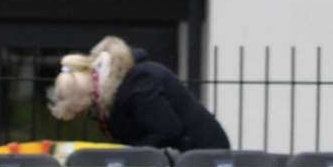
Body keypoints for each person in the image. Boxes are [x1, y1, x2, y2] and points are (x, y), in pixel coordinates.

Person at [47, 36, 230, 151]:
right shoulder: (116, 90)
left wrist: (130, 153)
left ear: (87, 95)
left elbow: (168, 131)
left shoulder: (138, 83)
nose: (87, 114)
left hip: (205, 157)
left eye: (82, 109)